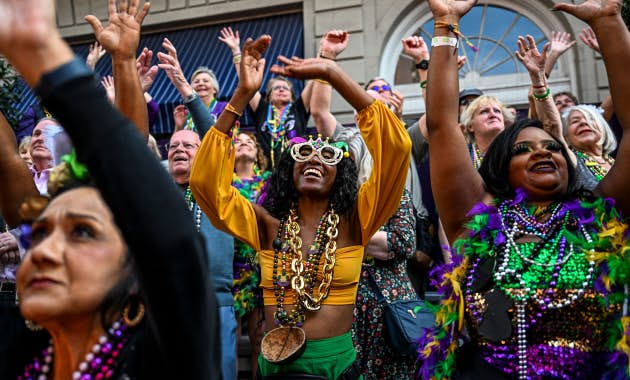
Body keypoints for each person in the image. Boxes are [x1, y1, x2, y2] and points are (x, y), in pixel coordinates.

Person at [0, 1, 222, 379]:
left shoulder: (167, 351)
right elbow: (5, 159)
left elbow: (150, 207)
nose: (43, 251)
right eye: (37, 234)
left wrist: (49, 54)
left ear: (137, 269)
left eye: (82, 232)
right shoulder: (16, 350)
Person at [417, 1, 630, 379]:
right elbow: (441, 126)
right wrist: (445, 23)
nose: (542, 153)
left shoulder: (600, 215)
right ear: (502, 168)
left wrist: (609, 22)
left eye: (551, 147)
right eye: (523, 149)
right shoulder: (477, 218)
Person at [190, 34, 411, 378]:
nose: (314, 159)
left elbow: (396, 148)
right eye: (302, 153)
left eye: (328, 155)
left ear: (343, 173)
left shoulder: (358, 219)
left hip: (339, 367)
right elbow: (206, 185)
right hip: (278, 367)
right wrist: (242, 94)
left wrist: (332, 73)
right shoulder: (265, 224)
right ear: (287, 170)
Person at [167, 128, 237, 379]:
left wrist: (189, 94)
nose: (179, 150)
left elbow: (218, 138)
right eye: (173, 146)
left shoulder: (217, 190)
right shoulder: (159, 193)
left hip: (215, 304)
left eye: (188, 145)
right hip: (169, 305)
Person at [219, 27, 315, 168]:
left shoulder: (298, 109)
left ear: (292, 96)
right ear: (269, 96)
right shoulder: (262, 109)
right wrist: (236, 51)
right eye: (276, 88)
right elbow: (246, 84)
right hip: (264, 173)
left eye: (285, 88)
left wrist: (323, 56)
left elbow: (316, 81)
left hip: (294, 172)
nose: (281, 89)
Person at [158, 39, 227, 133]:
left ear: (215, 89)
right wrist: (179, 126)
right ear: (191, 89)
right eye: (196, 81)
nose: (201, 83)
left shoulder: (224, 108)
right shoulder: (186, 113)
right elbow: (178, 143)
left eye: (206, 81)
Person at [562, 104, 617, 182]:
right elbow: (551, 124)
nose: (583, 122)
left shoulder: (616, 162)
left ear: (603, 128)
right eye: (575, 121)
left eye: (591, 118)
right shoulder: (571, 161)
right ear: (566, 137)